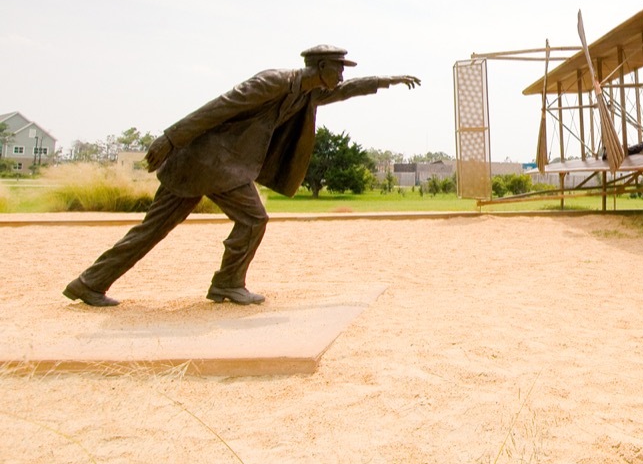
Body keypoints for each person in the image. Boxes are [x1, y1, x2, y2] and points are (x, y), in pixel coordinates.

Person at [63, 45, 419, 307]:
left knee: (152, 229)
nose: (341, 76)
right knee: (253, 219)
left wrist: (385, 81)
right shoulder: (275, 81)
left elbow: (346, 91)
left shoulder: (307, 94)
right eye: (339, 69)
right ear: (321, 66)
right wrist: (170, 139)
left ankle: (89, 282)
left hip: (208, 166)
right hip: (211, 162)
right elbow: (220, 106)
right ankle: (227, 283)